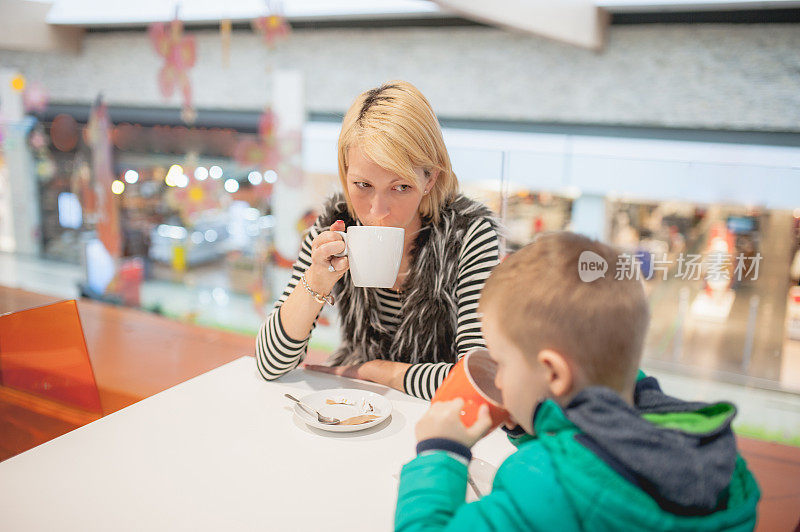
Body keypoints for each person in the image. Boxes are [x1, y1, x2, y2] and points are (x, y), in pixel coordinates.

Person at [396, 232, 760, 531]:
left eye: (503, 363)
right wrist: (535, 422)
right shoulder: (711, 455)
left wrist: (440, 451)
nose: (500, 380)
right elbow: (597, 456)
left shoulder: (540, 482)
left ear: (553, 374)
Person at [255, 81, 501, 400]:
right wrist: (316, 279)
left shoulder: (468, 233)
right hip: (355, 403)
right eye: (363, 184)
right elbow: (270, 364)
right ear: (345, 171)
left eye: (400, 187)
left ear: (430, 179)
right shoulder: (334, 228)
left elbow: (476, 378)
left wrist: (376, 371)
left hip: (437, 416)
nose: (377, 211)